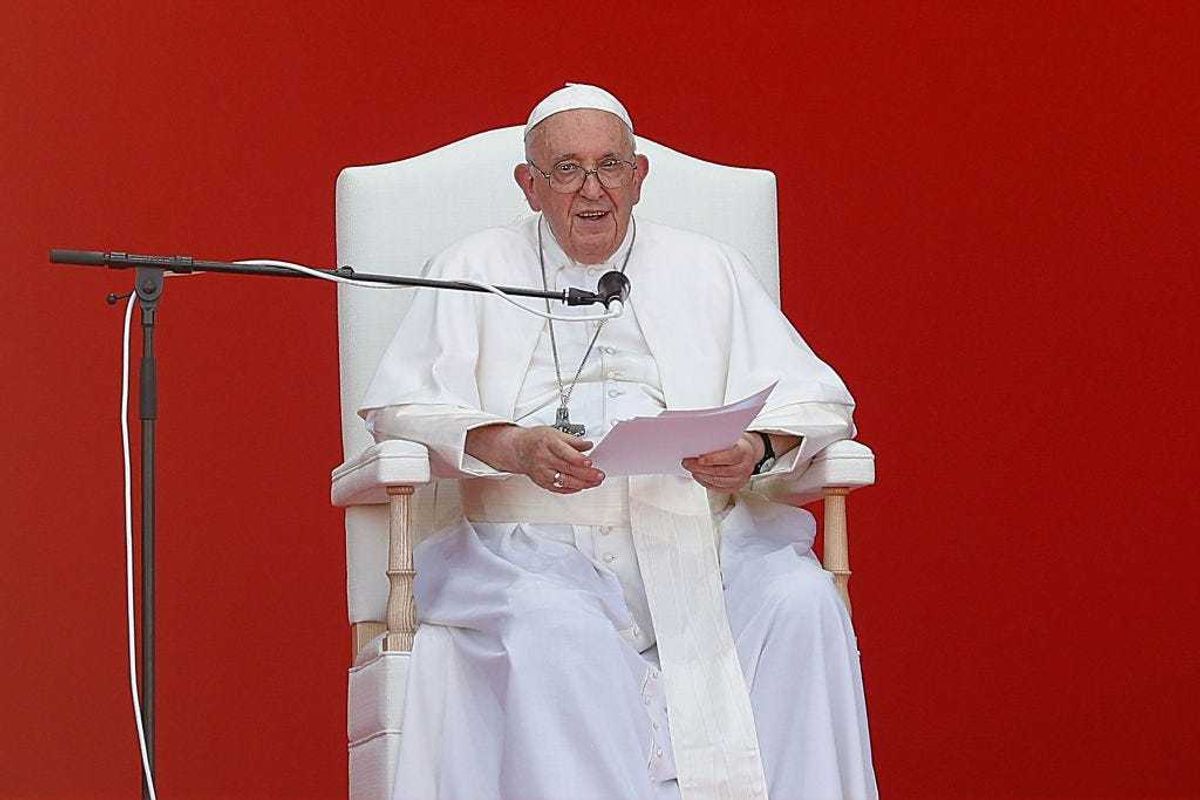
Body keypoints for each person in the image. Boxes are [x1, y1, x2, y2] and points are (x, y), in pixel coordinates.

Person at [360, 84, 878, 800]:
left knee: (802, 602)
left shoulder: (709, 267)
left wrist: (756, 449)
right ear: (529, 185)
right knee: (555, 628)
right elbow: (400, 407)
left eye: (610, 165)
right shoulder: (472, 268)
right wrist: (511, 445)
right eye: (567, 169)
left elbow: (820, 400)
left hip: (701, 537)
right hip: (530, 547)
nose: (592, 188)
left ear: (639, 176)